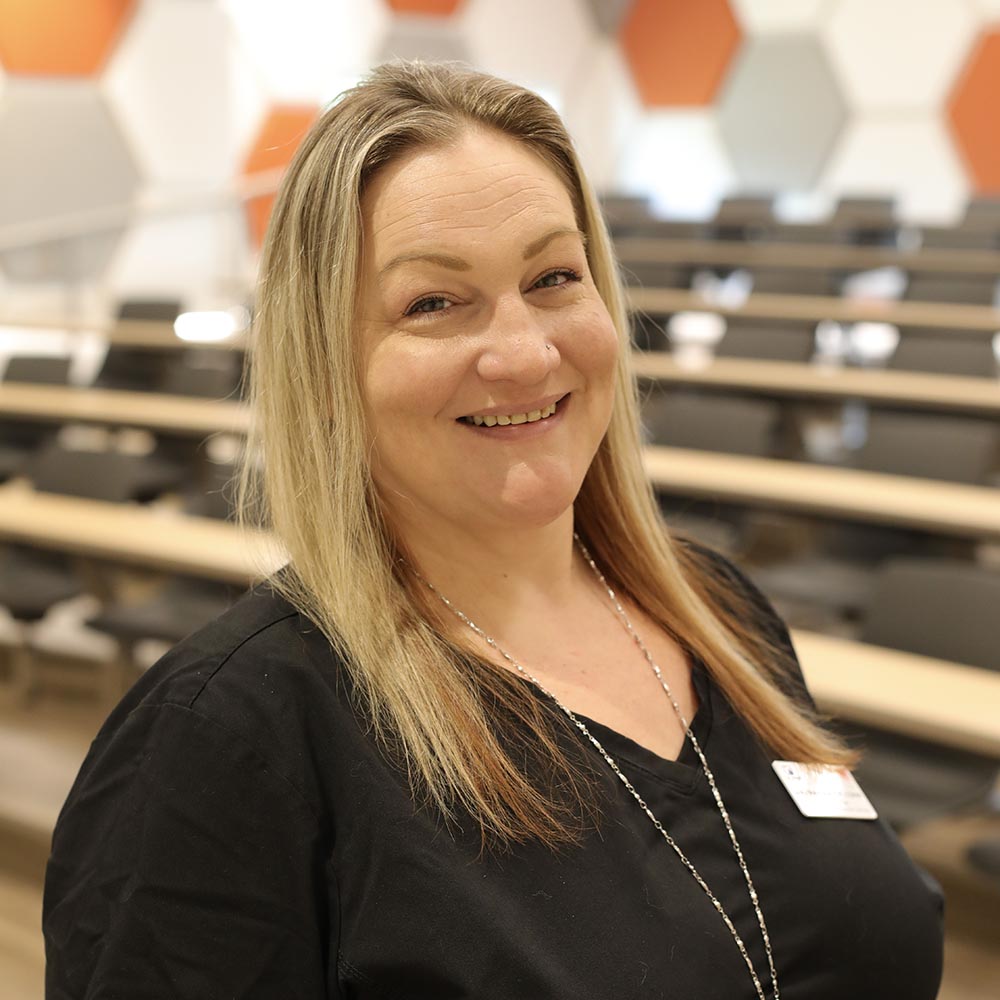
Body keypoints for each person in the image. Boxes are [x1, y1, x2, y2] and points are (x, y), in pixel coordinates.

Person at [43, 61, 943, 999]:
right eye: (433, 304)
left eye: (554, 277)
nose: (524, 352)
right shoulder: (229, 736)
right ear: (327, 365)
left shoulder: (723, 613)